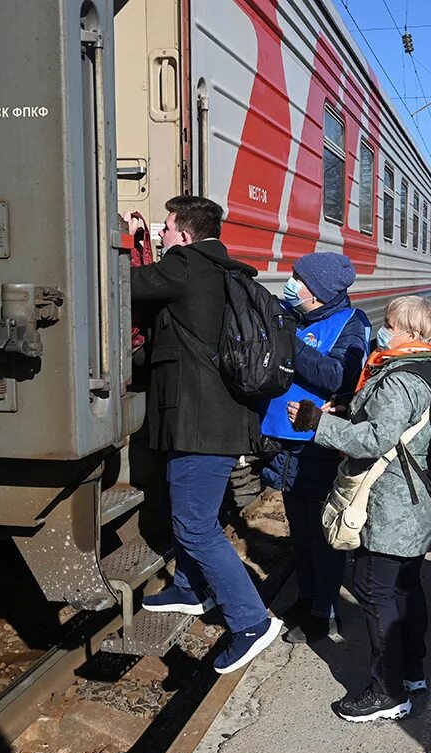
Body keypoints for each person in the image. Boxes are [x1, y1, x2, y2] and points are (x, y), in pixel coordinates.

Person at [131, 195, 281, 674]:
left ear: (185, 234)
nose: (161, 234)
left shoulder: (184, 263)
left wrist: (129, 242)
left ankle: (252, 621)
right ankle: (191, 590)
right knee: (195, 516)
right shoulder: (224, 268)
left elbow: (124, 284)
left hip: (200, 426)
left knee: (195, 525)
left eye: (166, 227)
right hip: (220, 419)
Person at [288, 296, 431, 722]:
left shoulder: (398, 380)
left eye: (392, 324)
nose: (383, 328)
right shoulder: (422, 370)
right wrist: (348, 407)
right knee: (404, 589)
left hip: (392, 506)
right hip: (414, 506)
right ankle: (412, 672)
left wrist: (315, 423)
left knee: (373, 590)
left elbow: (375, 440)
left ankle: (387, 692)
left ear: (412, 335)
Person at [260, 252, 369, 643]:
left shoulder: (351, 325)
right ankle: (307, 598)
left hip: (321, 446)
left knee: (324, 533)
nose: (290, 283)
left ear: (318, 291)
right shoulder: (299, 318)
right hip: (286, 445)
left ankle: (326, 610)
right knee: (301, 531)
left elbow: (338, 375)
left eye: (296, 278)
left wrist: (289, 342)